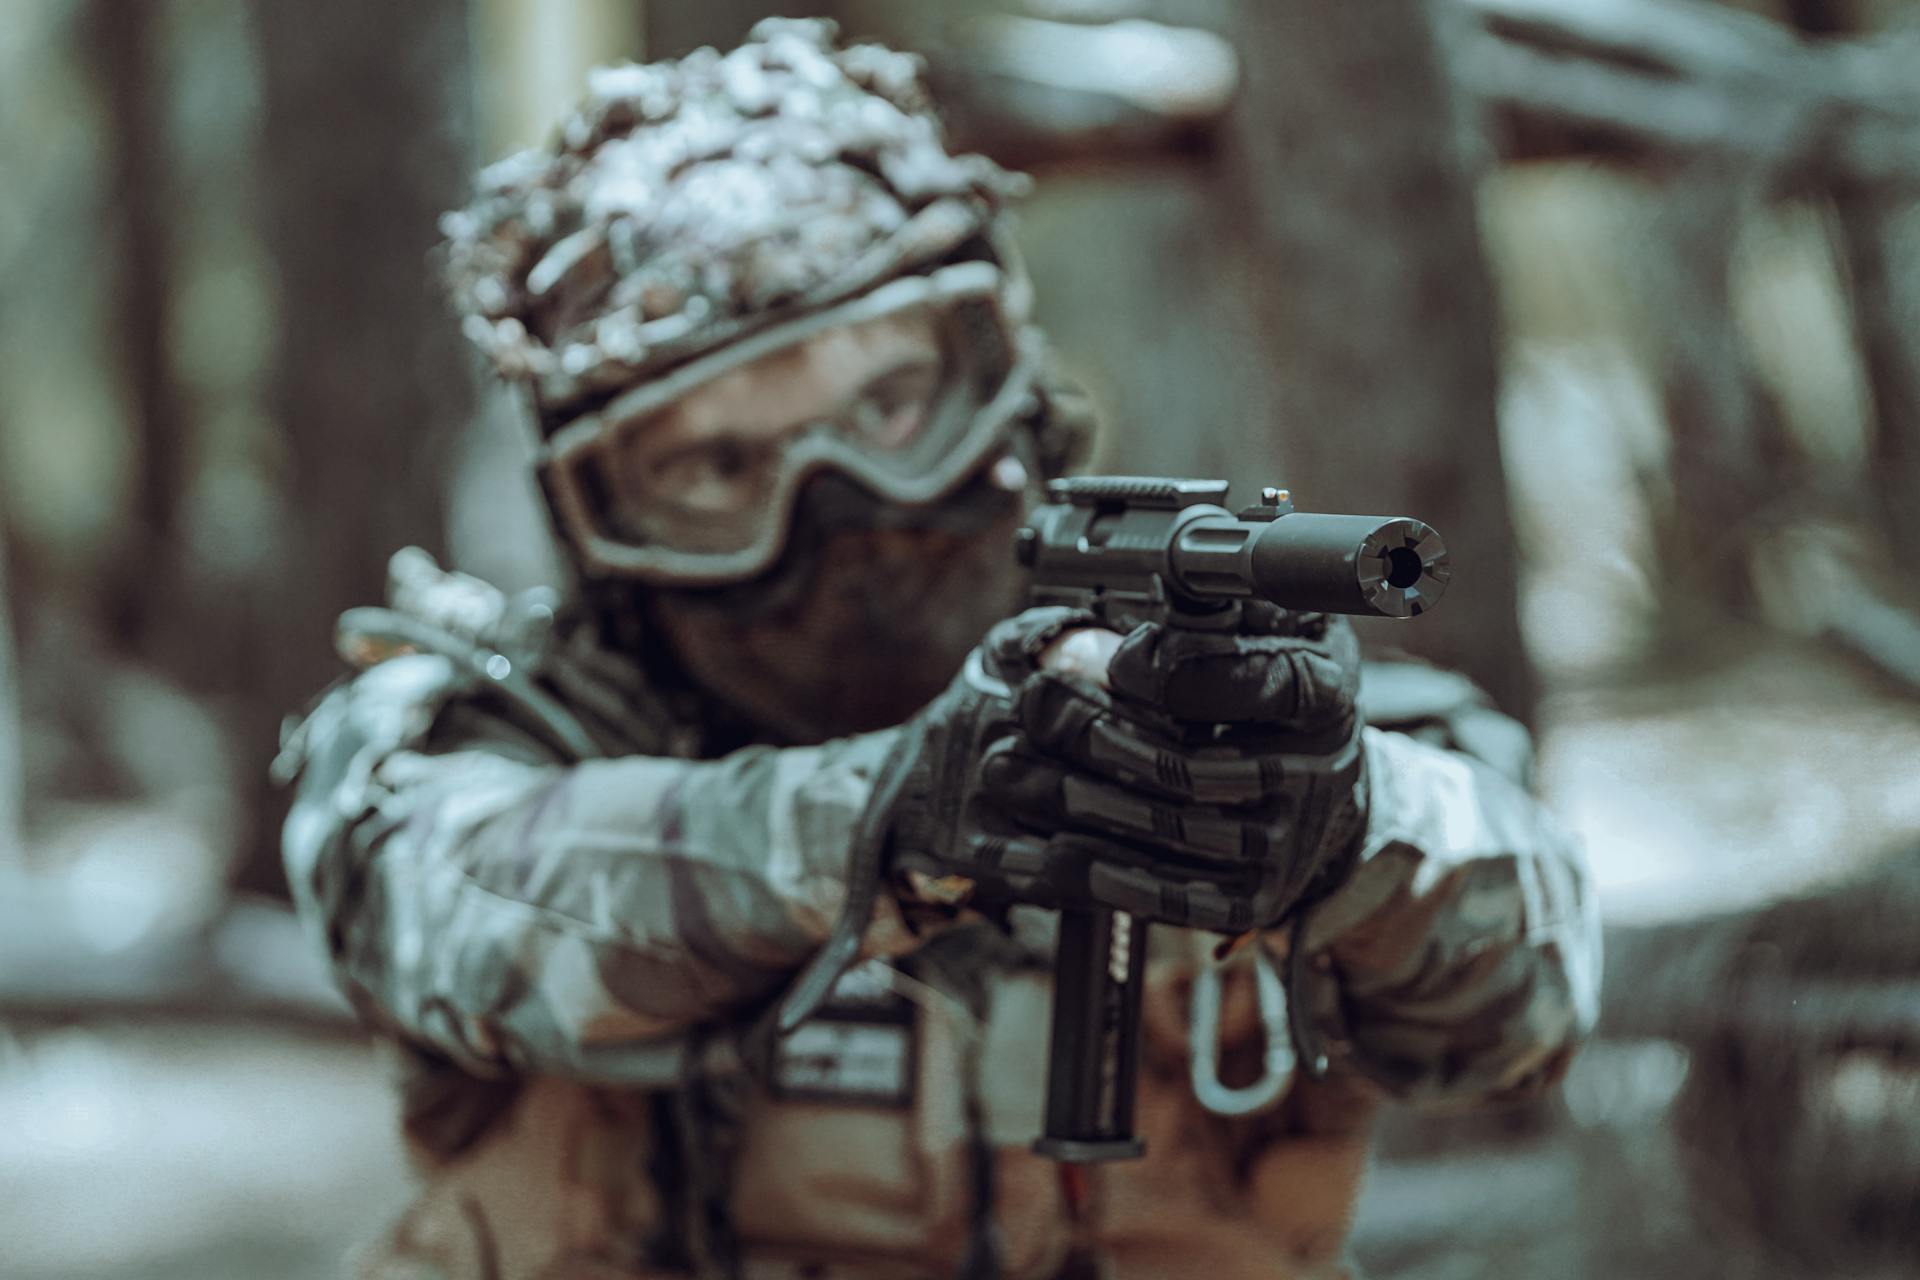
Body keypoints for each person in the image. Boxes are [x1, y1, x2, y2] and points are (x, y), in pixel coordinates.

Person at [277, 20, 1600, 1280]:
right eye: (721, 464)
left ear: (1002, 382)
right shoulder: (485, 742)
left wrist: (1352, 834)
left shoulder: (1240, 719)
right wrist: (890, 818)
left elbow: (1524, 995)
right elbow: (456, 912)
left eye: (890, 402)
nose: (846, 506)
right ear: (601, 518)